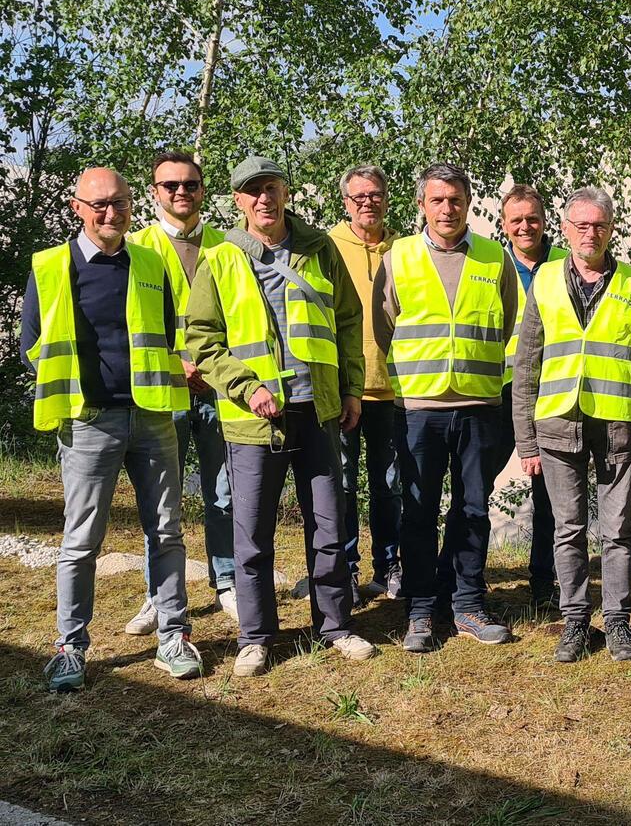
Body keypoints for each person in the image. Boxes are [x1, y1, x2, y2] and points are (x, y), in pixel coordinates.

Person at [187, 155, 378, 676]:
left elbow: (347, 322)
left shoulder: (320, 249)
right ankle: (256, 636)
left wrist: (352, 390)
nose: (263, 199)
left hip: (317, 410)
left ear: (285, 192)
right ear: (238, 201)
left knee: (329, 524)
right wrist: (246, 389)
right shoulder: (221, 258)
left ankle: (336, 625)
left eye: (271, 188)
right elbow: (202, 338)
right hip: (255, 421)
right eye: (252, 192)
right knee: (252, 532)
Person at [22, 167, 202, 691]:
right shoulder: (51, 266)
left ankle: (174, 635)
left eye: (119, 203)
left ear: (131, 206)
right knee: (81, 541)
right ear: (77, 207)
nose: (110, 213)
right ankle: (71, 646)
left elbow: (171, 334)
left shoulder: (149, 261)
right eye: (98, 204)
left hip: (151, 417)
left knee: (166, 532)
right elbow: (32, 344)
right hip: (88, 423)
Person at [512, 186, 631, 663]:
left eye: (599, 225)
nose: (590, 233)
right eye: (581, 225)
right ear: (565, 229)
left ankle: (618, 622)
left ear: (612, 230)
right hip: (558, 425)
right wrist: (526, 440)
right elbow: (527, 365)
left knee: (618, 531)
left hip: (619, 425)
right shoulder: (545, 283)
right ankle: (576, 621)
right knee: (568, 529)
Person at [375, 163, 517, 651]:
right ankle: (419, 609)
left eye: (455, 199)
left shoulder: (494, 258)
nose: (447, 209)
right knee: (417, 511)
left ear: (468, 202)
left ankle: (468, 604)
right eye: (437, 200)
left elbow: (507, 323)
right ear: (421, 205)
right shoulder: (399, 257)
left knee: (474, 509)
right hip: (419, 407)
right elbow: (382, 326)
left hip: (479, 403)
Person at [124, 150, 235, 634]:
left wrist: (214, 367)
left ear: (202, 190)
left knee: (224, 493)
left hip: (221, 388)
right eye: (170, 186)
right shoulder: (136, 248)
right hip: (164, 390)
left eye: (190, 184)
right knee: (162, 501)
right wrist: (178, 363)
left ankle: (227, 582)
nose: (181, 192)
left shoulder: (226, 245)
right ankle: (159, 594)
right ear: (155, 192)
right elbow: (130, 326)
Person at [442, 183, 567, 611]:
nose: (526, 226)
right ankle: (453, 579)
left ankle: (544, 586)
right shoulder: (490, 264)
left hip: (552, 395)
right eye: (517, 220)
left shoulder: (566, 265)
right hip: (499, 393)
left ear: (545, 220)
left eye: (533, 218)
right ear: (504, 225)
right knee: (472, 491)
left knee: (552, 496)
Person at [329, 163, 401, 604]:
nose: (367, 203)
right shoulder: (327, 247)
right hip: (342, 389)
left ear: (386, 199)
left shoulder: (406, 248)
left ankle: (389, 567)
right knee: (341, 486)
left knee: (390, 485)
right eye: (358, 197)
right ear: (345, 203)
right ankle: (345, 570)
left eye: (375, 195)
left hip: (395, 390)